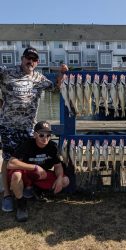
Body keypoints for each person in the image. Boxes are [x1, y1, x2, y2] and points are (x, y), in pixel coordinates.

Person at [0, 47, 68, 212]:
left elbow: (55, 89)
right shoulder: (7, 73)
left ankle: (26, 186)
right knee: (8, 161)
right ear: (22, 59)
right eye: (28, 58)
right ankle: (7, 195)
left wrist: (61, 74)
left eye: (34, 59)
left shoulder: (39, 78)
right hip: (9, 126)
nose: (30, 62)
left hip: (29, 127)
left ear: (37, 63)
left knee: (28, 159)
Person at [7, 121, 70, 222]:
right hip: (26, 174)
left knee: (65, 180)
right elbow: (11, 163)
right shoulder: (27, 144)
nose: (45, 138)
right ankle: (21, 203)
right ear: (35, 135)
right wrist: (35, 167)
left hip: (40, 176)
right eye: (41, 135)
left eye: (48, 135)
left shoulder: (53, 146)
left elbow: (58, 166)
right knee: (16, 175)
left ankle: (36, 191)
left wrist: (59, 178)